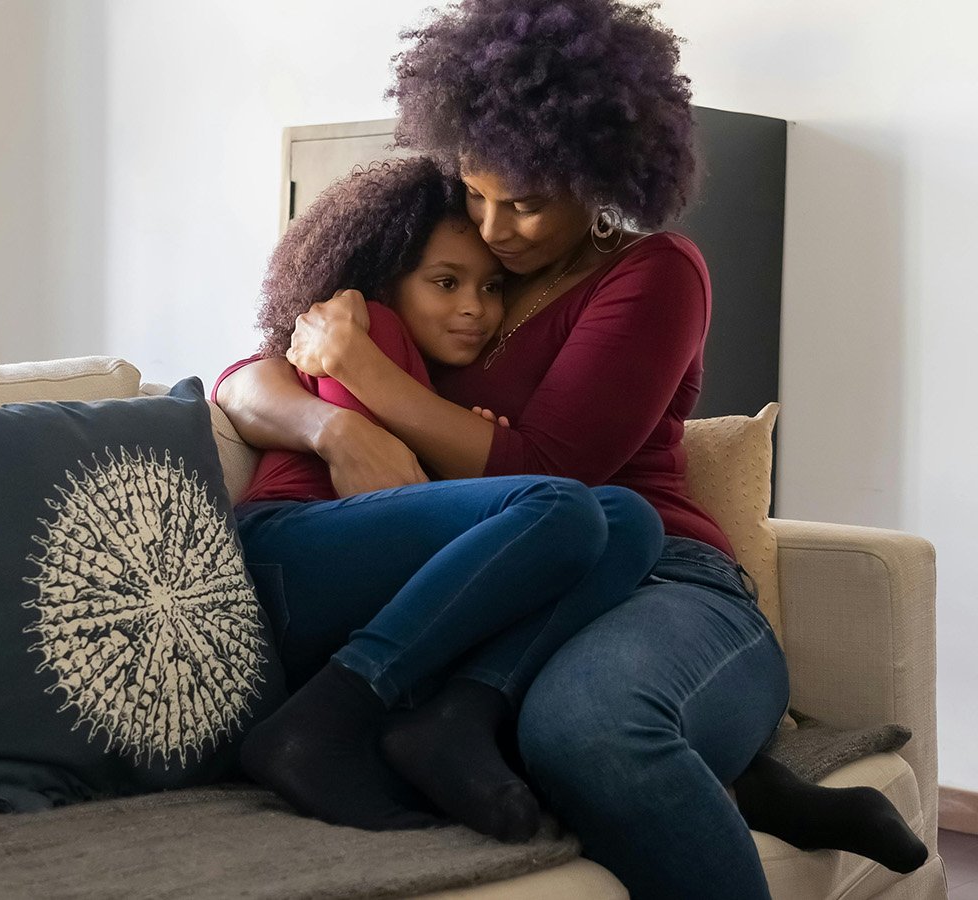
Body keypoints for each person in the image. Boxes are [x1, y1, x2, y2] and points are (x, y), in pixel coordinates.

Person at [215, 1, 924, 895]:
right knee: (502, 710)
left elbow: (553, 472)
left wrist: (363, 372)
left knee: (594, 724)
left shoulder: (655, 273)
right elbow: (250, 373)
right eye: (475, 192)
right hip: (505, 594)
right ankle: (755, 785)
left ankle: (748, 779)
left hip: (662, 579)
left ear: (600, 174)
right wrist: (334, 415)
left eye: (528, 204)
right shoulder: (446, 270)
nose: (496, 228)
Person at [227, 155, 665, 844]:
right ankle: (320, 724)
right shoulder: (361, 325)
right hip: (288, 552)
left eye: (491, 288)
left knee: (630, 519)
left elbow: (422, 498)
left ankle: (455, 718)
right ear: (384, 279)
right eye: (444, 282)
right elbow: (375, 481)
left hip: (348, 567)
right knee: (565, 508)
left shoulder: (431, 375)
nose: (474, 308)